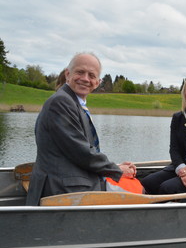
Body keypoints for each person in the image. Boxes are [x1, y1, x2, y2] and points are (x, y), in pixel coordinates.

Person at [26, 52, 137, 206]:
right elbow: (80, 151)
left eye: (91, 75)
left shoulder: (73, 102)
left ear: (97, 82)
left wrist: (114, 167)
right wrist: (117, 171)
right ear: (68, 74)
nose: (85, 79)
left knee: (139, 188)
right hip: (62, 189)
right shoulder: (61, 102)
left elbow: (80, 152)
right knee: (138, 196)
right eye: (80, 72)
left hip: (75, 181)